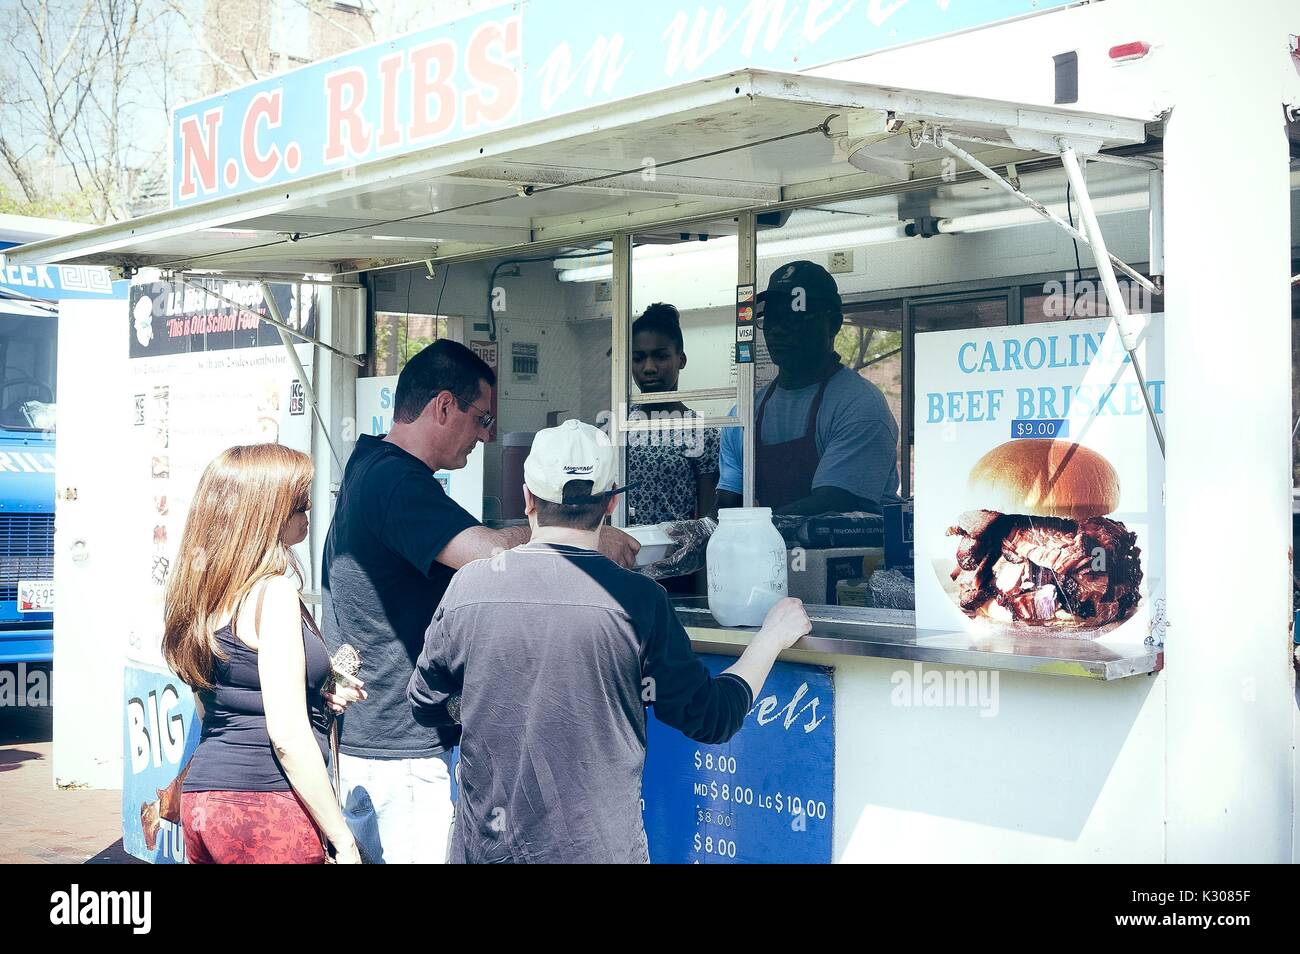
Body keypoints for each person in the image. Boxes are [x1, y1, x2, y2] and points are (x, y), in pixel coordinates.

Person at [407, 419, 811, 864]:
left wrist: (483, 700)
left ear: (527, 500)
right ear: (612, 503)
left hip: (486, 850)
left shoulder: (469, 587)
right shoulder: (640, 601)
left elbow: (426, 704)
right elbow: (710, 717)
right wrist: (770, 638)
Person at [322, 339, 639, 864]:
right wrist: (582, 535)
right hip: (400, 749)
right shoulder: (395, 479)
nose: (486, 435)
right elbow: (488, 554)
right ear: (443, 406)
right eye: (482, 417)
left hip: (374, 736)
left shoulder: (372, 464)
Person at [164, 444, 365, 865]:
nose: (307, 513)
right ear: (265, 513)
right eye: (299, 504)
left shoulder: (204, 595)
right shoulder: (273, 593)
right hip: (264, 805)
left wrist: (321, 692)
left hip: (205, 801)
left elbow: (212, 704)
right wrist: (342, 838)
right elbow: (288, 737)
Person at [716, 261, 903, 515]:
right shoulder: (745, 415)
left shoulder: (859, 406)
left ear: (834, 324)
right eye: (772, 319)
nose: (778, 330)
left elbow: (831, 504)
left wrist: (749, 528)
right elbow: (728, 505)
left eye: (795, 317)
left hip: (850, 555)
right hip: (768, 552)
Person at [626, 302, 720, 527]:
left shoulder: (702, 433)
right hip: (621, 552)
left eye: (660, 356)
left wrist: (692, 556)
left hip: (675, 554)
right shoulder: (619, 424)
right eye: (638, 358)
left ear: (682, 359)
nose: (648, 367)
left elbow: (707, 518)